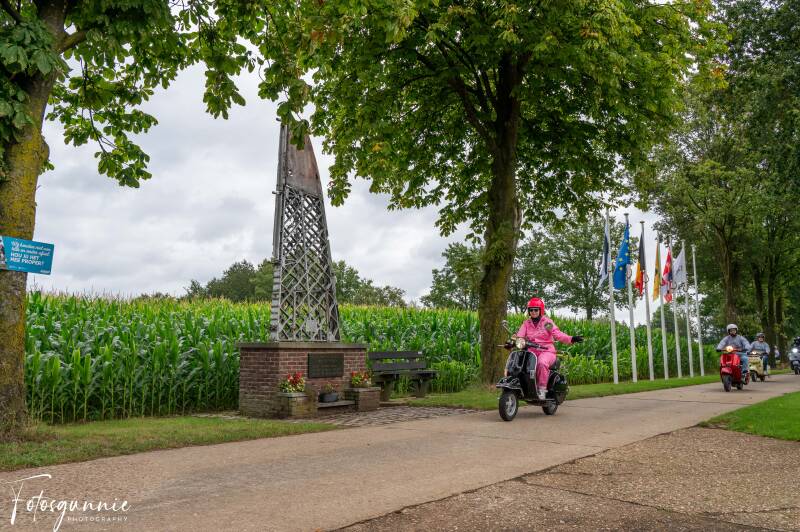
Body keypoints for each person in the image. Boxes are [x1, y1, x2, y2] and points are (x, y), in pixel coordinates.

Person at [514, 297, 584, 400]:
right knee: (519, 363)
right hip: (531, 351)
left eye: (536, 310)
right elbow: (520, 336)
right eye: (531, 310)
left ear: (540, 310)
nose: (533, 312)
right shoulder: (526, 324)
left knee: (542, 363)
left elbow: (557, 334)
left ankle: (542, 389)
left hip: (546, 350)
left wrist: (571, 338)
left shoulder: (546, 323)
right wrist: (514, 341)